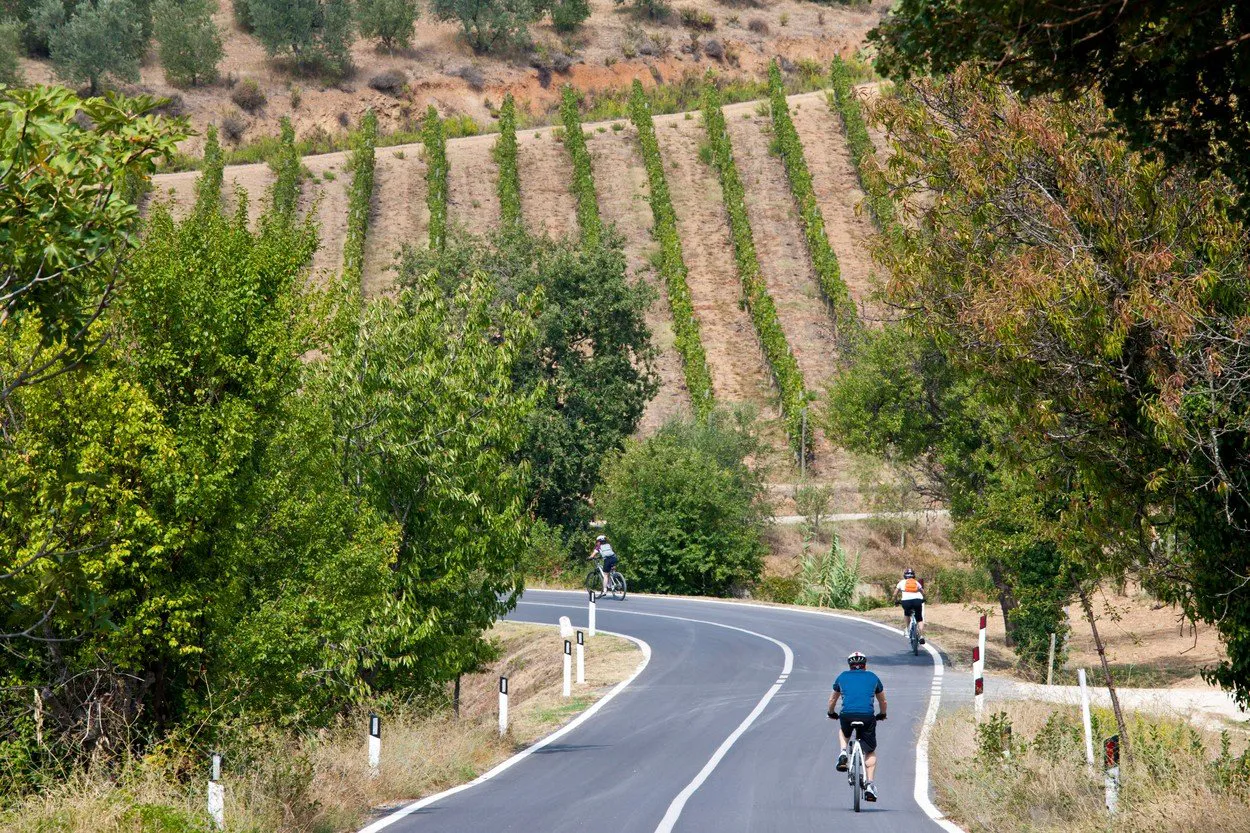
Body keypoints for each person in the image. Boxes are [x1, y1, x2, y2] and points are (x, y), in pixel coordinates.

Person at [828, 650, 887, 802]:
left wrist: (831, 713)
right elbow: (883, 702)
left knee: (844, 731)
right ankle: (869, 784)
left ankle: (843, 753)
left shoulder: (842, 676)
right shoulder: (873, 677)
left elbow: (832, 700)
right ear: (865, 665)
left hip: (847, 715)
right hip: (867, 716)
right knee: (870, 750)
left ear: (850, 665)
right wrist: (882, 714)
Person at [893, 568, 926, 644]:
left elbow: (895, 593)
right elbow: (923, 592)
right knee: (919, 619)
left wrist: (896, 601)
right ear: (913, 575)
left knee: (907, 613)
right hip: (917, 601)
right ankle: (921, 636)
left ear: (904, 575)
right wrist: (924, 599)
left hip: (906, 602)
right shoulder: (916, 582)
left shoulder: (901, 582)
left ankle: (907, 629)